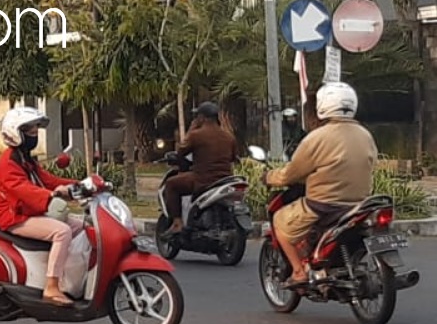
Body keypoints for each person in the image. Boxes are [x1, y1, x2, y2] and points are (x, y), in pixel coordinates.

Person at [263, 82, 376, 287]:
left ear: (322, 106)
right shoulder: (365, 134)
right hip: (359, 204)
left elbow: (291, 174)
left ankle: (298, 272)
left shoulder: (316, 137)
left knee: (280, 221)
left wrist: (269, 177)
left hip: (323, 204)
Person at [0, 106, 82, 306]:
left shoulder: (25, 159)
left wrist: (80, 185)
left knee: (80, 227)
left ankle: (68, 277)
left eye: (35, 130)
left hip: (26, 211)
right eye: (30, 131)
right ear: (16, 133)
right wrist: (53, 194)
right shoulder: (8, 163)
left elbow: (47, 179)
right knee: (62, 232)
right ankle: (51, 286)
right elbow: (23, 190)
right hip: (13, 215)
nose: (35, 134)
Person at [161, 101, 241, 235]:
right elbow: (234, 158)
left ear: (202, 118)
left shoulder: (196, 135)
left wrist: (191, 129)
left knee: (171, 184)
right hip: (225, 180)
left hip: (202, 180)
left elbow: (181, 152)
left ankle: (177, 222)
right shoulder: (229, 137)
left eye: (197, 117)